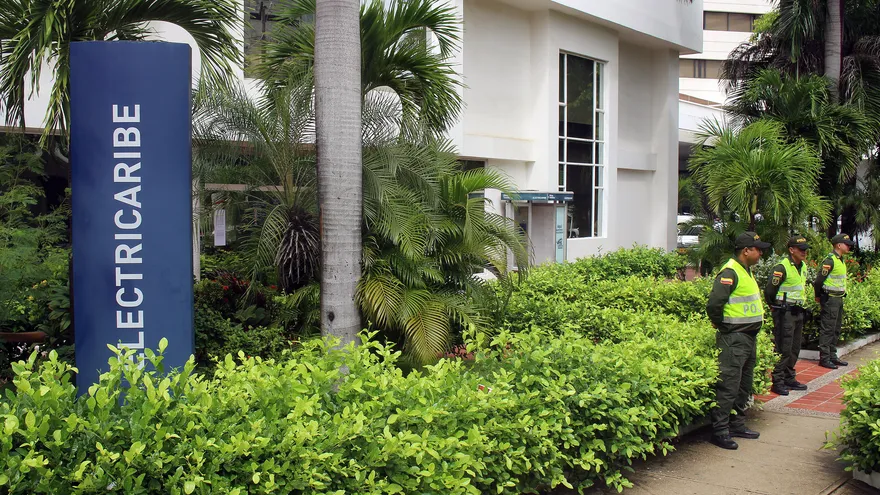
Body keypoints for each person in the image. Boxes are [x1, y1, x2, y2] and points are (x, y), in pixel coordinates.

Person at [705, 232, 771, 450]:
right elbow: (714, 304)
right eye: (757, 249)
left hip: (748, 337)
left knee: (744, 385)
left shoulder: (746, 271)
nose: (761, 253)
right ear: (746, 251)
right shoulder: (730, 272)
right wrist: (720, 324)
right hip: (734, 338)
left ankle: (737, 424)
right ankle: (720, 431)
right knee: (728, 386)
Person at [764, 235, 810, 396]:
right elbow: (770, 291)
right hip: (784, 313)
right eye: (801, 250)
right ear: (791, 250)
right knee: (783, 347)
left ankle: (789, 377)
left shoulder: (802, 266)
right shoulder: (781, 267)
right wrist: (774, 306)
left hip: (797, 312)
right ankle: (778, 381)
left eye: (805, 250)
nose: (804, 252)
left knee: (794, 347)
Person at [813, 233, 855, 369]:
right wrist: (818, 296)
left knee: (835, 329)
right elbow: (819, 281)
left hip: (838, 298)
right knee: (828, 329)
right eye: (846, 244)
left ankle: (832, 355)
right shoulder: (830, 260)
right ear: (838, 245)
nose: (848, 247)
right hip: (830, 299)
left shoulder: (840, 260)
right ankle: (824, 358)